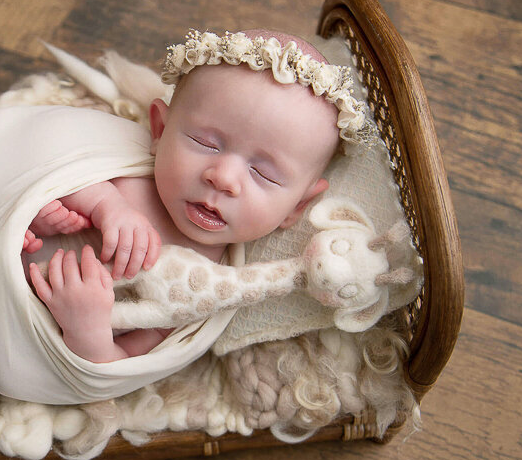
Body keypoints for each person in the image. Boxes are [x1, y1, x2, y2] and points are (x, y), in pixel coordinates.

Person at [23, 29, 354, 364]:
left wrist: (87, 331)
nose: (223, 178)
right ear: (160, 130)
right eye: (205, 143)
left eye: (263, 174)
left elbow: (123, 363)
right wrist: (99, 206)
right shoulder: (129, 178)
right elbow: (50, 172)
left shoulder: (203, 288)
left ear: (298, 206)